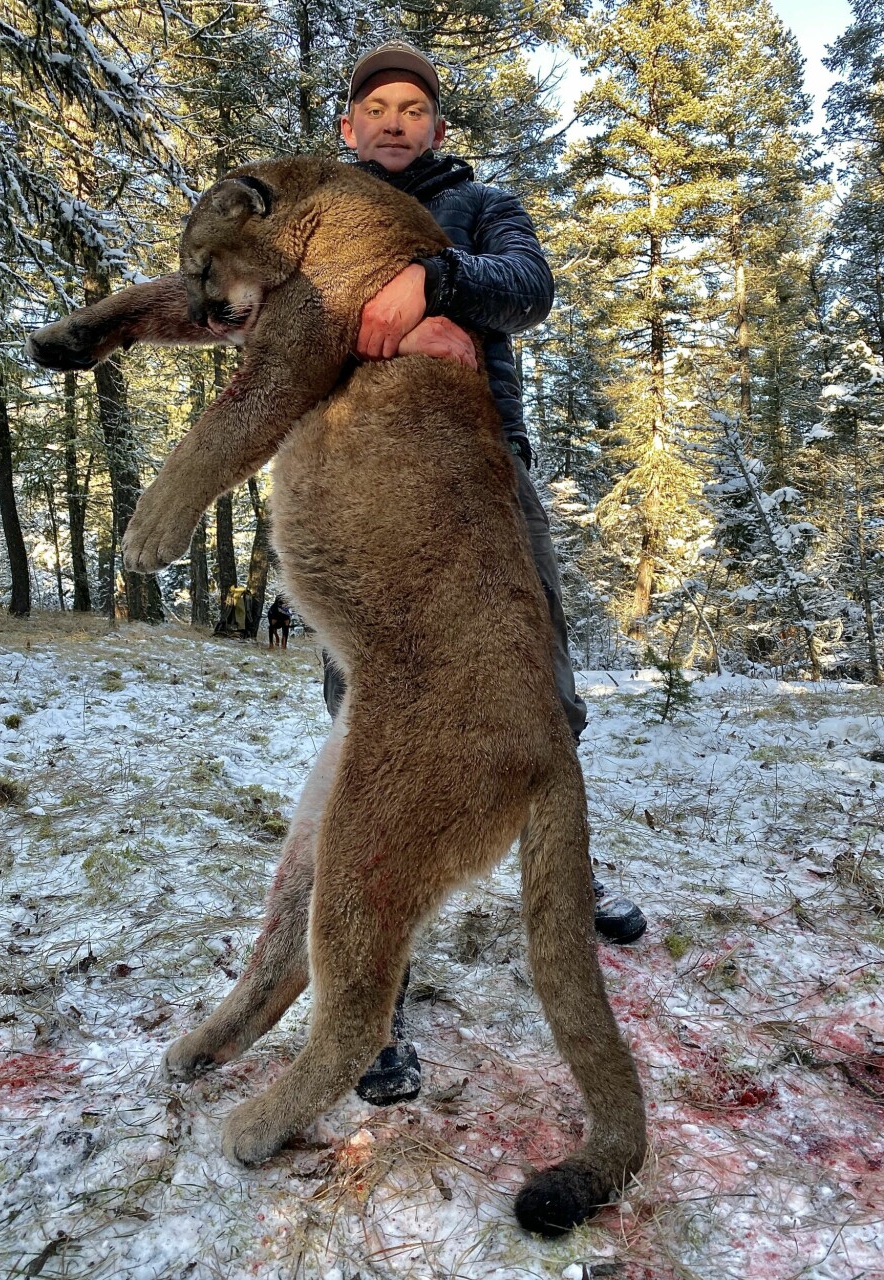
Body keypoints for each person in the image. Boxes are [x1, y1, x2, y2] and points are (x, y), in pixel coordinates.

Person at [325, 42, 647, 1108]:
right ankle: (374, 994)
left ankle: (568, 876)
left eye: (414, 107)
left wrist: (435, 279)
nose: (395, 121)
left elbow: (530, 290)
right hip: (371, 501)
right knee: (377, 739)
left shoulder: (485, 207)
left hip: (488, 489)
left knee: (544, 706)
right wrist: (411, 335)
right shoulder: (317, 221)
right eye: (376, 106)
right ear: (346, 128)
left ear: (439, 129)